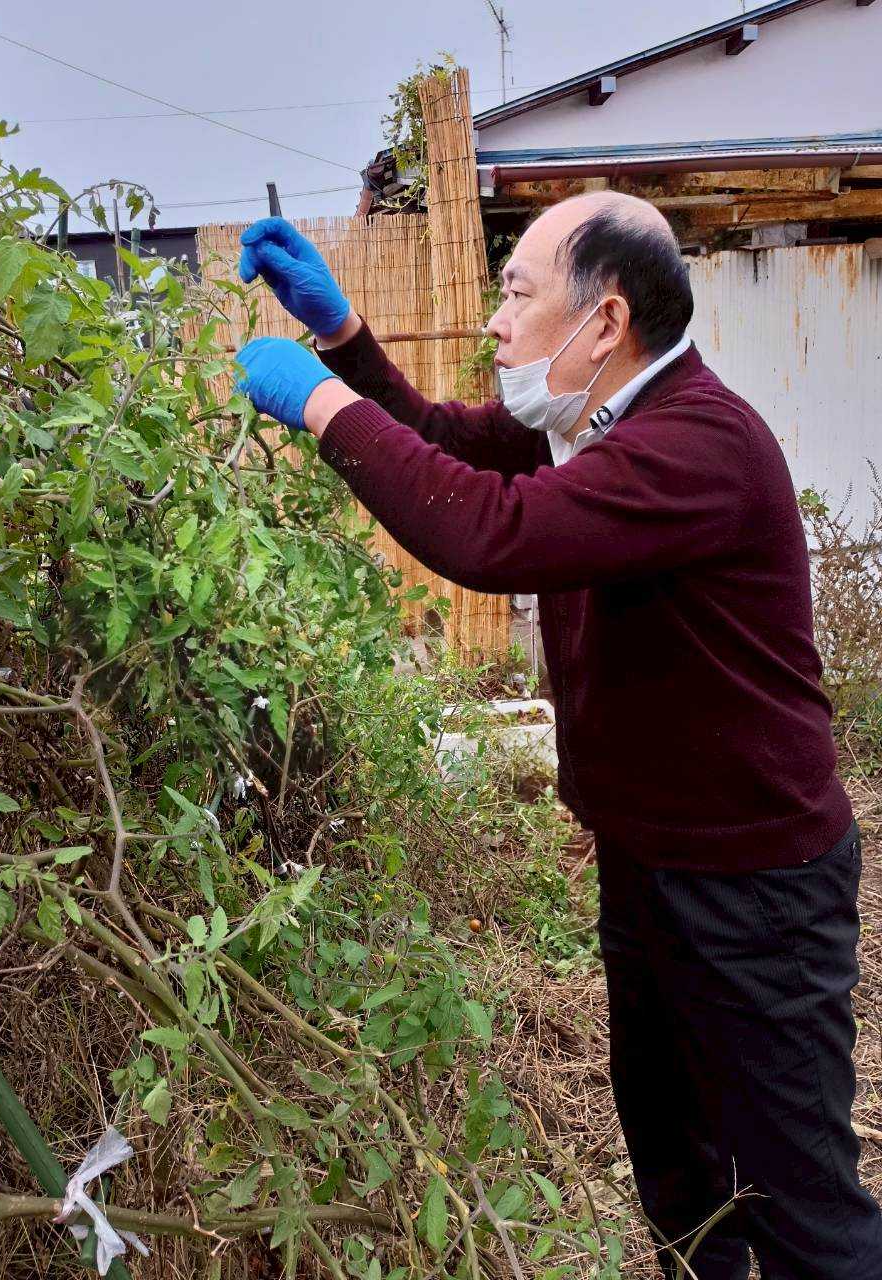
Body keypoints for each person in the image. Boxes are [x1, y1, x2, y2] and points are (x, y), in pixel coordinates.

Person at [234, 193, 882, 1278]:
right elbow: (445, 447)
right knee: (680, 1174)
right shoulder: (586, 423)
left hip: (757, 885)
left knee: (803, 1204)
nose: (495, 320)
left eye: (517, 293)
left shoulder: (696, 444)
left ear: (605, 320)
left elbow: (486, 531)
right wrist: (344, 341)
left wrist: (321, 406)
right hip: (650, 866)